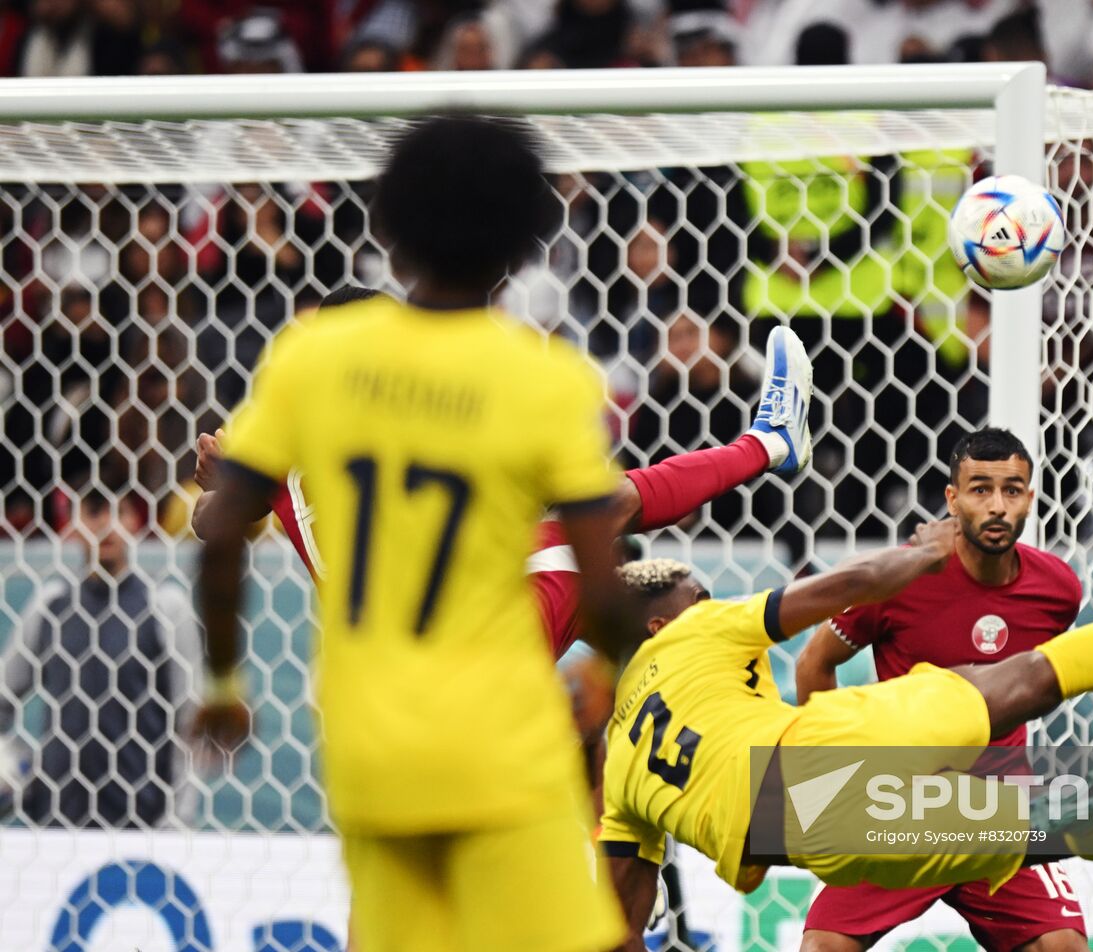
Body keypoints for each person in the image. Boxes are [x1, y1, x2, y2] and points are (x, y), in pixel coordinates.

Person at [193, 115, 635, 952]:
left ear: (390, 234)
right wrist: (606, 671)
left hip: (370, 744)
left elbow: (217, 534)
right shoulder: (542, 379)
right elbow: (602, 564)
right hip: (498, 736)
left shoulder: (312, 357)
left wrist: (223, 684)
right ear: (519, 245)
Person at [598, 533, 1093, 948]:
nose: (710, 600)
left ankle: (1036, 822)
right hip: (825, 741)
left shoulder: (617, 768)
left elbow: (622, 928)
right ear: (659, 625)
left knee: (945, 836)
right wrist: (923, 555)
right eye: (700, 595)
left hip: (796, 833)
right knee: (1024, 680)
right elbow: (849, 585)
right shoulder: (698, 628)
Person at [192, 290, 814, 663]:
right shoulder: (295, 433)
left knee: (615, 546)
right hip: (463, 658)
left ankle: (765, 452)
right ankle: (766, 448)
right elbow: (211, 521)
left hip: (442, 642)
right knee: (615, 544)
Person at [794, 428, 1090, 952]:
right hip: (901, 806)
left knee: (1062, 945)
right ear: (952, 499)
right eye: (980, 489)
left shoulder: (1057, 591)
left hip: (999, 807)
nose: (997, 505)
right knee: (824, 946)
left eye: (1012, 490)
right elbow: (815, 663)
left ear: (1030, 497)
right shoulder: (899, 578)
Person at [0, 491, 201, 828]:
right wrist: (13, 765)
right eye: (94, 512)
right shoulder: (51, 605)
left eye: (119, 511)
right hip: (56, 824)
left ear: (135, 521)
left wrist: (179, 820)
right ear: (74, 522)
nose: (107, 525)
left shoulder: (166, 607)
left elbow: (189, 722)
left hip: (142, 828)